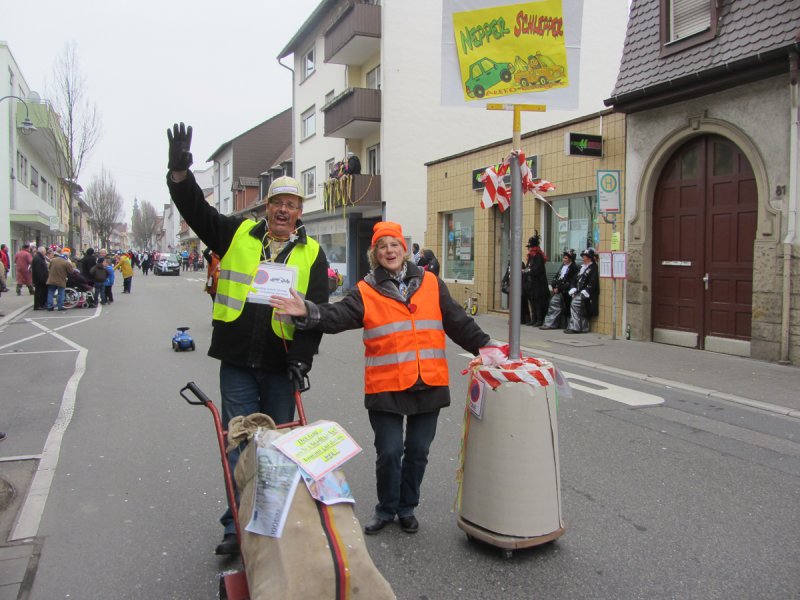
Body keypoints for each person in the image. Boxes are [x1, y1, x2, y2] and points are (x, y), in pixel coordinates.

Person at [269, 221, 495, 536]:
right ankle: (386, 508)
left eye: (394, 244)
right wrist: (306, 311)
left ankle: (407, 507)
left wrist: (487, 347)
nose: (389, 251)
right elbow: (337, 316)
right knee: (389, 452)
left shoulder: (431, 283)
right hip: (386, 384)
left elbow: (458, 321)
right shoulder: (366, 289)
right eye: (382, 246)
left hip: (428, 382)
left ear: (404, 248)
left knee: (418, 451)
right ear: (374, 254)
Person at [166, 122, 329, 555]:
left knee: (274, 450)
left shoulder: (313, 254)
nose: (283, 210)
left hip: (281, 366)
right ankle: (236, 527)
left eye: (291, 205)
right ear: (266, 207)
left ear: (299, 212)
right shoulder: (238, 233)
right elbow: (196, 209)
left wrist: (302, 360)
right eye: (277, 203)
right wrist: (180, 174)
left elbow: (315, 314)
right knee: (239, 445)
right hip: (237, 361)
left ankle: (269, 526)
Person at [540, 249, 579, 330]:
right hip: (559, 291)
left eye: (566, 258)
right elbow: (556, 277)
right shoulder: (563, 266)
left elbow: (571, 281)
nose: (564, 260)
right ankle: (550, 323)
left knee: (567, 309)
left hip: (566, 292)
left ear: (570, 259)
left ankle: (567, 325)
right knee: (553, 305)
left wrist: (559, 288)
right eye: (563, 258)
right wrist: (554, 286)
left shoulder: (574, 268)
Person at [565, 247, 600, 334]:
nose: (583, 258)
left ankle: (575, 327)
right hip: (578, 292)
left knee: (575, 304)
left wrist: (584, 292)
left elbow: (592, 283)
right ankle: (583, 327)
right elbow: (574, 279)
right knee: (576, 306)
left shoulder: (593, 268)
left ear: (589, 258)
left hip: (587, 294)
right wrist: (573, 289)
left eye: (584, 257)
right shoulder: (582, 267)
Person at [522, 235, 549, 326]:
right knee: (532, 301)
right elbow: (528, 268)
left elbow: (537, 270)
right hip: (531, 284)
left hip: (538, 285)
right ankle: (534, 319)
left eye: (529, 247)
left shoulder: (538, 257)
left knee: (538, 302)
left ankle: (539, 319)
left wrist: (526, 271)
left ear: (534, 248)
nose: (528, 249)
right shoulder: (531, 257)